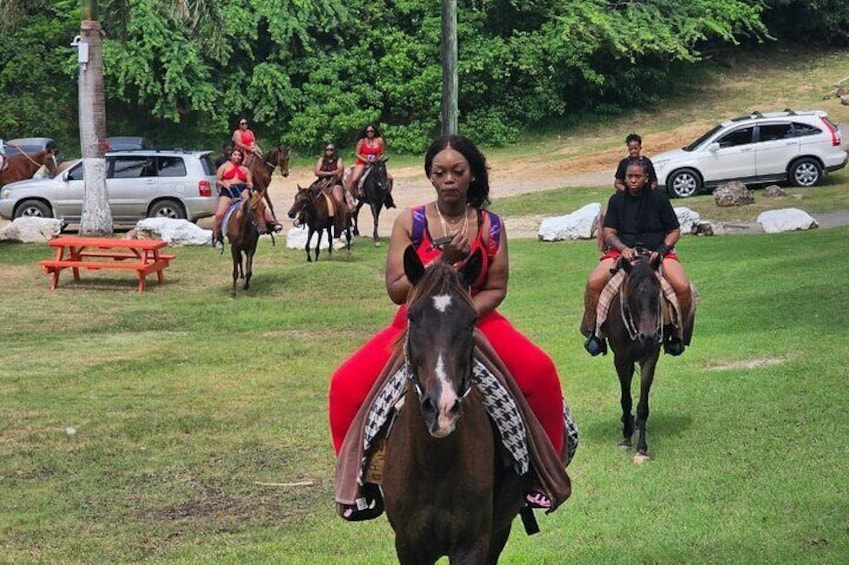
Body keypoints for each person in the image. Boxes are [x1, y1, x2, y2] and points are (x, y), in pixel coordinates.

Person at [329, 134, 566, 518]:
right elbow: (395, 289)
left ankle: (542, 478)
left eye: (458, 171)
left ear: (472, 175)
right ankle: (360, 485)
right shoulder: (412, 221)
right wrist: (442, 260)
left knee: (541, 371)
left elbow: (497, 286)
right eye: (440, 172)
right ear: (430, 177)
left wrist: (462, 313)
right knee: (345, 384)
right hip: (418, 321)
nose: (449, 179)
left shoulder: (490, 226)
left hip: (476, 317)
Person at [582, 161, 692, 357]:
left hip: (658, 253)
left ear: (646, 177)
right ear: (624, 178)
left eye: (637, 176)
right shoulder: (616, 201)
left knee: (683, 287)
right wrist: (623, 248)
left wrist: (662, 249)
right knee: (593, 283)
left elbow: (674, 230)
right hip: (622, 253)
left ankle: (676, 334)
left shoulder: (659, 199)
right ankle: (595, 334)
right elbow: (609, 232)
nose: (633, 180)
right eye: (629, 176)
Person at [211, 148, 281, 249]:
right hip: (228, 192)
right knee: (219, 214)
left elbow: (250, 183)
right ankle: (217, 237)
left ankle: (272, 222)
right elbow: (217, 180)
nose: (237, 157)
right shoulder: (224, 167)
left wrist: (248, 186)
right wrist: (224, 184)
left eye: (239, 155)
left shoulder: (245, 169)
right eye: (235, 155)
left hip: (242, 191)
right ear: (231, 155)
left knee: (258, 203)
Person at [345, 124, 395, 208]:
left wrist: (378, 159)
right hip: (363, 162)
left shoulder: (379, 140)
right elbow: (357, 153)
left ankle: (387, 198)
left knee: (390, 178)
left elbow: (382, 153)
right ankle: (350, 199)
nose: (369, 133)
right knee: (354, 179)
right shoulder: (362, 141)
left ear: (374, 131)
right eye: (368, 131)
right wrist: (365, 160)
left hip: (376, 163)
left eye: (371, 131)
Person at [314, 143, 354, 215]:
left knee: (338, 200)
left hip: (335, 183)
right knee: (306, 196)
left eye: (331, 150)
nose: (329, 151)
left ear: (334, 151)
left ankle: (342, 218)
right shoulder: (321, 160)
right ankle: (302, 217)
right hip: (321, 182)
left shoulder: (338, 160)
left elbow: (339, 172)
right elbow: (317, 172)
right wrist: (330, 173)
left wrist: (327, 174)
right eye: (327, 150)